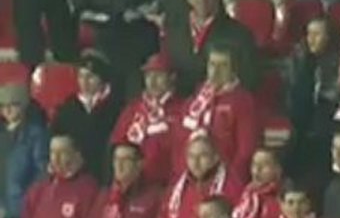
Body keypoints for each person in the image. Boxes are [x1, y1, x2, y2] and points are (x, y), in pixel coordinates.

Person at [176, 45, 262, 177]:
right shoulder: (195, 99)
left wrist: (229, 180)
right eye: (212, 64)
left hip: (223, 179)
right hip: (190, 177)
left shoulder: (242, 101)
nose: (215, 71)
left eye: (223, 65)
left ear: (234, 70)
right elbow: (179, 141)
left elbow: (246, 150)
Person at [165, 0, 261, 96]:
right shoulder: (173, 32)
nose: (202, 0)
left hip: (223, 106)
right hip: (180, 106)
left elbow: (250, 80)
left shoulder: (240, 34)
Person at [0, 82, 49, 218]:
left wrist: (29, 201)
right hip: (2, 207)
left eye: (13, 105)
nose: (8, 110)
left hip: (23, 210)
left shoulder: (35, 134)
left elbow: (42, 172)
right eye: (4, 106)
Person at [111, 54, 184, 186]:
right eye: (148, 76)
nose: (152, 81)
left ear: (172, 77)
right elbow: (117, 143)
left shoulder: (182, 109)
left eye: (159, 75)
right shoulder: (133, 108)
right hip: (131, 185)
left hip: (162, 186)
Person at [52, 51, 124, 182]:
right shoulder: (68, 108)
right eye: (81, 76)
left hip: (105, 178)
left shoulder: (117, 107)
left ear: (103, 78)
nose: (84, 82)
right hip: (73, 178)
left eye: (90, 77)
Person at [283, 17, 340, 180]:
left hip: (327, 123)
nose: (311, 39)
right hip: (301, 121)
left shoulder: (338, 61)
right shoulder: (298, 59)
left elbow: (335, 96)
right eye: (309, 34)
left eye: (317, 34)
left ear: (329, 37)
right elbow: (290, 92)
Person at [230, 148, 283, 218]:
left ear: (278, 169)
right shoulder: (247, 194)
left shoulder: (281, 199)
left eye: (264, 165)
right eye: (254, 164)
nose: (257, 170)